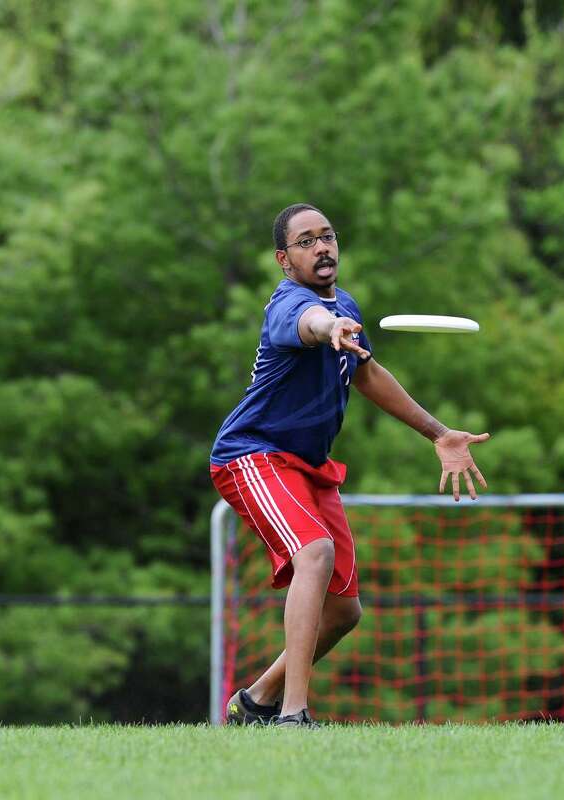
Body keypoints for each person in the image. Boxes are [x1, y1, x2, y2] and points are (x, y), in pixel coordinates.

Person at [211, 203, 490, 727]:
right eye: (307, 241)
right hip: (252, 455)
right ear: (284, 259)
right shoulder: (290, 305)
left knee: (343, 612)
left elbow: (368, 375)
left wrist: (440, 433)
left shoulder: (348, 307)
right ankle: (293, 715)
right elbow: (310, 324)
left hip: (309, 466)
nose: (322, 247)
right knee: (313, 552)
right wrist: (329, 325)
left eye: (328, 237)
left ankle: (258, 701)